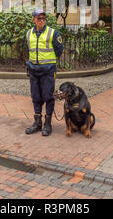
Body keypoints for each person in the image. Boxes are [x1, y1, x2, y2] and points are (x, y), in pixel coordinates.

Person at [25, 8, 63, 137]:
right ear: (34, 19)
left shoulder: (53, 33)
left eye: (43, 18)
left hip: (47, 71)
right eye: (39, 18)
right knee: (35, 97)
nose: (41, 20)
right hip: (33, 70)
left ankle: (47, 124)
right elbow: (28, 48)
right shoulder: (29, 33)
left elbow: (59, 50)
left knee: (48, 96)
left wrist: (50, 64)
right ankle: (37, 123)